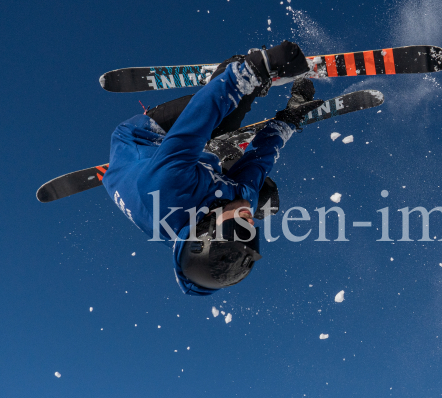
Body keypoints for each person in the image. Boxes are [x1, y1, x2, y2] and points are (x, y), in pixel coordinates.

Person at [102, 41, 322, 296]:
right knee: (264, 197)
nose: (248, 223)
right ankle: (219, 156)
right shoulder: (240, 205)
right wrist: (289, 118)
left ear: (206, 232)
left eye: (239, 230)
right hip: (190, 181)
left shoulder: (166, 186)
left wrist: (256, 67)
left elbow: (199, 117)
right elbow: (260, 159)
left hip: (144, 138)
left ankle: (237, 68)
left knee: (225, 116)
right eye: (250, 235)